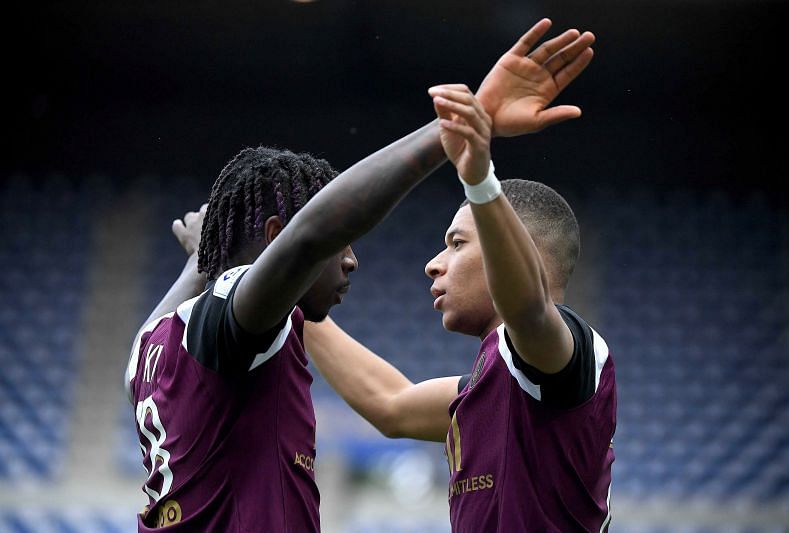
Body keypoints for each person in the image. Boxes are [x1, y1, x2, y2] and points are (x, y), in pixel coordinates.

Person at [128, 18, 597, 532]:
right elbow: (310, 242)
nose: (432, 263)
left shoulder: (155, 342)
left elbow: (391, 402)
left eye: (456, 243)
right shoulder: (235, 318)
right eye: (338, 244)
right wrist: (461, 133)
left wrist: (205, 264)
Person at [304, 32, 614, 533]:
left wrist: (479, 177)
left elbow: (530, 310)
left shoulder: (564, 353)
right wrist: (287, 293)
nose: (433, 263)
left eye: (456, 243)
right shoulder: (489, 386)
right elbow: (391, 406)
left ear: (515, 252)